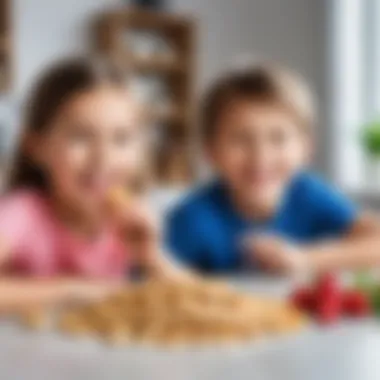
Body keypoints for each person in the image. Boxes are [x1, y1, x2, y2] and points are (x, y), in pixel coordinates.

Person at [166, 62, 380, 275]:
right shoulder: (192, 219)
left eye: (278, 138)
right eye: (241, 139)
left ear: (306, 148)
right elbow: (159, 282)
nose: (260, 156)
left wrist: (303, 258)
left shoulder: (308, 195)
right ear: (211, 151)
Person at [0, 56, 176, 310]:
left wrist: (152, 257)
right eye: (81, 136)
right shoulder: (21, 214)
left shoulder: (130, 221)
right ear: (36, 147)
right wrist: (73, 291)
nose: (103, 157)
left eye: (121, 139)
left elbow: (191, 298)